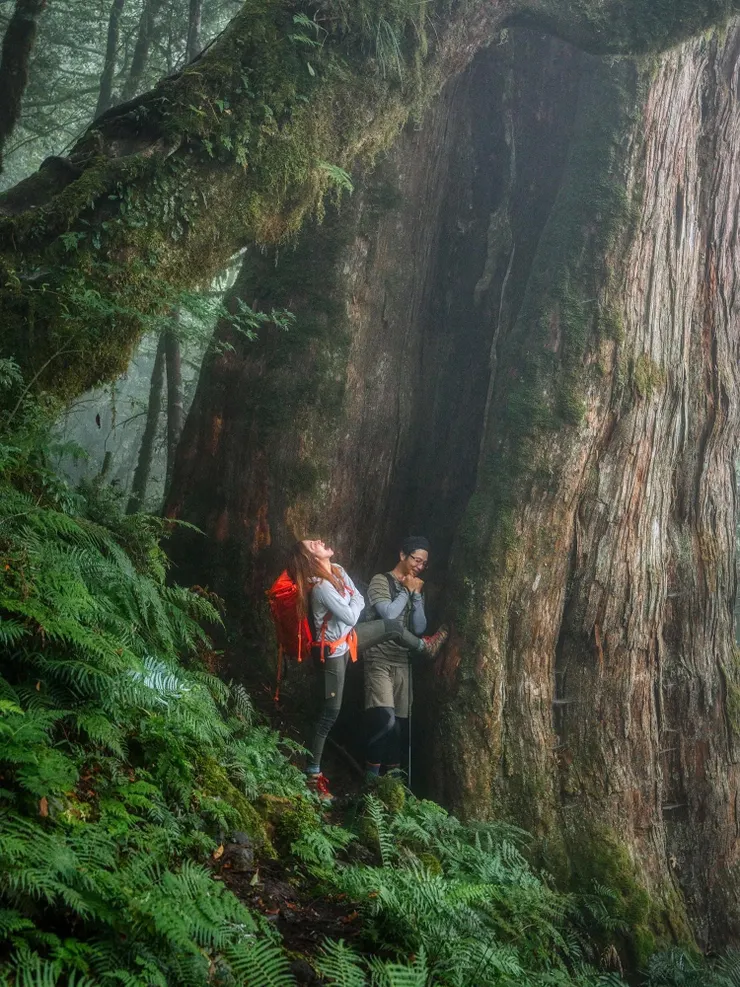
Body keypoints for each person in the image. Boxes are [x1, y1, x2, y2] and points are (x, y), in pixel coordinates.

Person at [286, 537, 445, 801]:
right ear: (310, 559)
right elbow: (352, 614)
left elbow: (356, 603)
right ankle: (313, 775)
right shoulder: (322, 587)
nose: (318, 541)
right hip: (335, 651)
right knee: (329, 714)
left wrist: (352, 605)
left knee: (393, 629)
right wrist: (352, 606)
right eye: (312, 545)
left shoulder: (336, 569)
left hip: (351, 637)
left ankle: (423, 648)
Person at [363, 535, 447, 779]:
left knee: (398, 727)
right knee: (384, 721)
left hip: (403, 662)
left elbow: (419, 628)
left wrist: (417, 596)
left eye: (423, 564)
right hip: (378, 659)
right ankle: (370, 783)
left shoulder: (415, 587)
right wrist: (406, 591)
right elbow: (388, 616)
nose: (419, 567)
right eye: (416, 560)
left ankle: (393, 785)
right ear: (402, 555)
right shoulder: (381, 581)